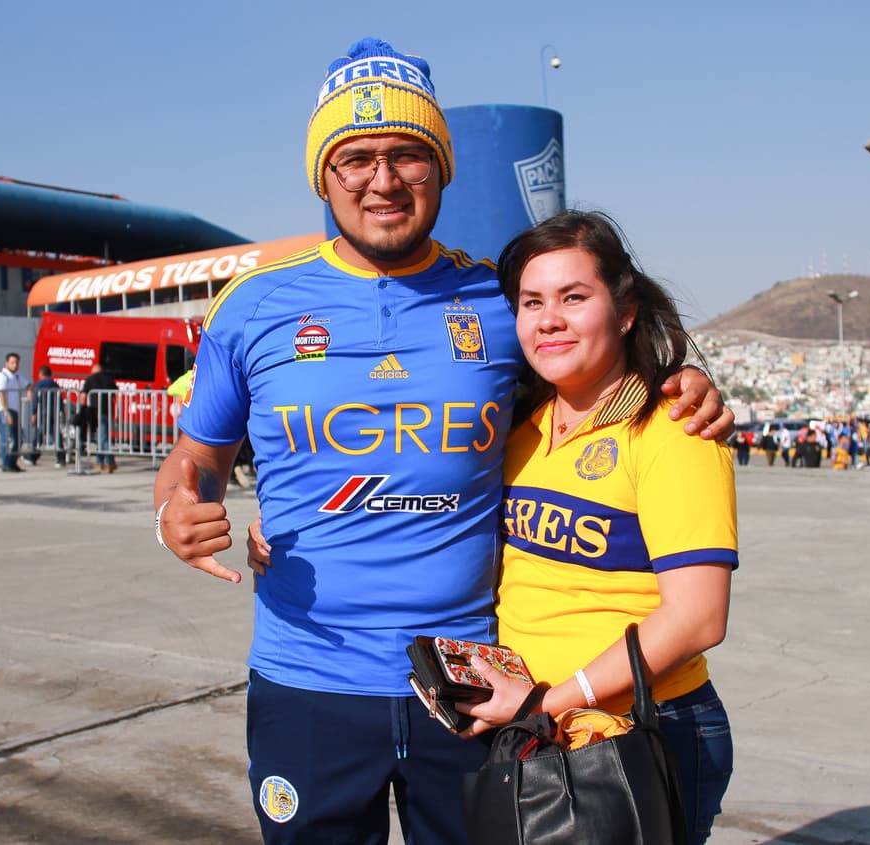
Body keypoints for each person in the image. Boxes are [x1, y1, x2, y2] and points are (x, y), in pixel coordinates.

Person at [153, 37, 732, 845]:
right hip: (308, 682)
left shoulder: (498, 302)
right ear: (323, 174)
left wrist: (684, 384)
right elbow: (197, 458)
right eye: (355, 158)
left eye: (407, 156)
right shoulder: (253, 306)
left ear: (443, 168)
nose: (381, 180)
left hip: (471, 685)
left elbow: (595, 378)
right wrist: (179, 510)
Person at [457, 210, 737, 845]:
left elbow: (698, 619)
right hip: (536, 726)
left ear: (625, 310)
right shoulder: (522, 426)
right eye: (531, 302)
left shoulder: (674, 429)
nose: (549, 318)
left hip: (638, 729)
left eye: (574, 297)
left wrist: (549, 701)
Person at [0, 352, 29, 473]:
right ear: (7, 363)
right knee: (8, 438)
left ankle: (13, 462)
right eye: (12, 362)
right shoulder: (2, 376)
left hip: (15, 410)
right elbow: (1, 393)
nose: (15, 365)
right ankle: (6, 463)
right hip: (5, 411)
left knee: (17, 438)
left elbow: (28, 384)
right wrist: (6, 411)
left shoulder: (17, 376)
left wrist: (29, 390)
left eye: (16, 363)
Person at [80, 362, 118, 473]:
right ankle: (99, 461)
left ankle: (109, 461)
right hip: (107, 411)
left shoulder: (90, 379)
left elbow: (83, 396)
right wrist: (117, 412)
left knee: (102, 438)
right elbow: (117, 395)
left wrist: (83, 409)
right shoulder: (109, 379)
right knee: (101, 436)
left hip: (96, 412)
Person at [29, 365, 66, 468]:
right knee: (56, 436)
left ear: (41, 374)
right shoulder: (55, 384)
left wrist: (33, 413)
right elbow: (60, 400)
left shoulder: (39, 385)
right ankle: (61, 458)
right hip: (54, 412)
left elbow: (36, 400)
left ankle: (33, 457)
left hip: (43, 412)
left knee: (38, 434)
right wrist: (62, 411)